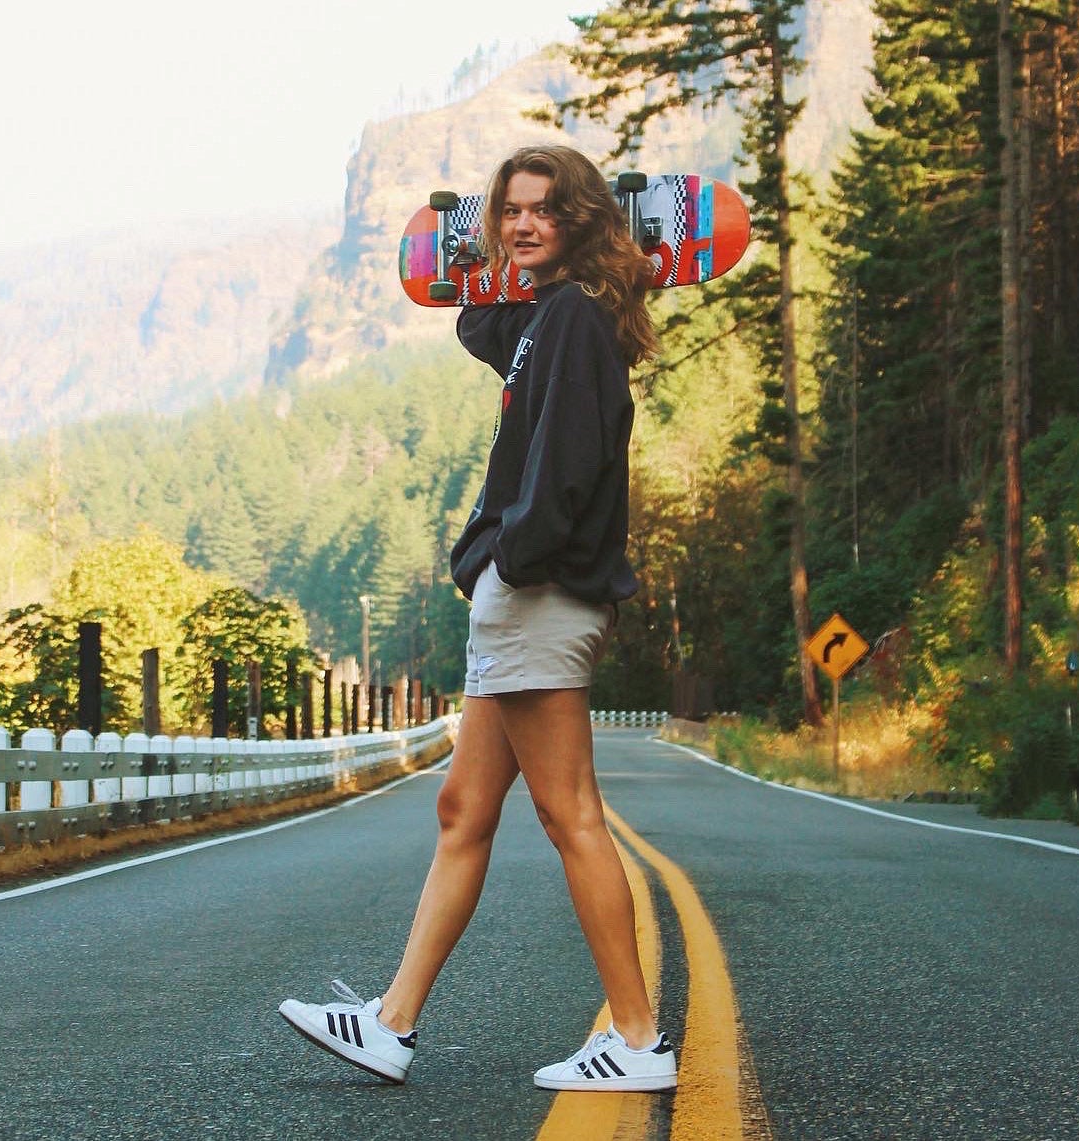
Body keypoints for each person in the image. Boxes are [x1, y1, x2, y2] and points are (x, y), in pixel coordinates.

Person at [279, 144, 674, 1093]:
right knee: (464, 809)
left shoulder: (575, 319)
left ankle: (636, 1038)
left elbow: (572, 464)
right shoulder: (547, 317)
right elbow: (480, 327)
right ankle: (391, 1022)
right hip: (521, 591)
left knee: (569, 811)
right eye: (510, 213)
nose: (523, 224)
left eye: (543, 210)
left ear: (581, 219)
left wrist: (508, 555)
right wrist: (475, 261)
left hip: (537, 592)